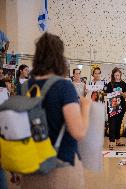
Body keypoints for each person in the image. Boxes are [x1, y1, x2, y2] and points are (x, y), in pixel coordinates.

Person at [21, 32, 91, 189]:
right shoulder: (64, 86)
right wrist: (85, 107)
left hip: (31, 164)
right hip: (61, 165)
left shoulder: (25, 86)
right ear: (59, 57)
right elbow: (78, 132)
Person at [106, 67, 126, 150]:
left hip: (121, 106)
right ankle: (111, 142)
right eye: (115, 75)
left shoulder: (123, 84)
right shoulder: (109, 84)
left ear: (120, 75)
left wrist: (121, 93)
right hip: (112, 107)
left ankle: (118, 140)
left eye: (118, 75)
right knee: (112, 124)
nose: (117, 77)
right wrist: (112, 94)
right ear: (113, 75)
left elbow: (125, 95)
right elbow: (107, 95)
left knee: (119, 123)